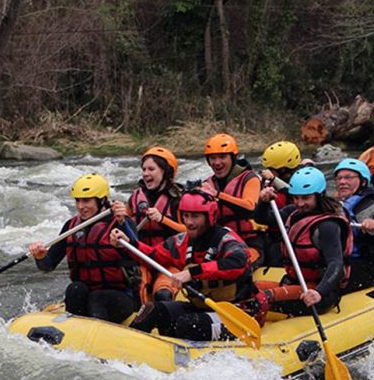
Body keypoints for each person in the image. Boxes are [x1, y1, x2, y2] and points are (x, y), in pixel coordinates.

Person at [110, 190, 260, 341]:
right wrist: (129, 244)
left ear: (209, 217)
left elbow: (237, 263)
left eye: (195, 216)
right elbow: (153, 256)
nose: (189, 222)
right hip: (202, 308)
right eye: (186, 216)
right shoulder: (182, 241)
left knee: (187, 325)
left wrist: (192, 273)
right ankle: (124, 348)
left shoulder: (227, 240)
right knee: (152, 309)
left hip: (237, 313)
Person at [28, 173, 138, 324]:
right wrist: (40, 257)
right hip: (87, 295)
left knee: (97, 297)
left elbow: (138, 253)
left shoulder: (121, 222)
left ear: (102, 200)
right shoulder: (72, 226)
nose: (81, 206)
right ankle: (75, 332)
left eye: (86, 201)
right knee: (75, 289)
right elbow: (48, 265)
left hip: (121, 297)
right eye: (77, 200)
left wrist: (123, 225)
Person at [254, 166, 352, 317]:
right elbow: (262, 218)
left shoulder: (328, 226)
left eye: (306, 198)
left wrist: (318, 293)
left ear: (319, 196)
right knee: (247, 288)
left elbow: (336, 264)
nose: (299, 203)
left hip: (318, 292)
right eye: (296, 198)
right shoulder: (293, 212)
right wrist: (263, 202)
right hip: (295, 282)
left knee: (260, 298)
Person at [111, 146, 185, 303]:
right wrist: (122, 219)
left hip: (169, 261)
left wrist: (162, 219)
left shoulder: (180, 199)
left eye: (151, 169)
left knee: (163, 295)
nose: (145, 173)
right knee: (137, 292)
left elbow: (189, 232)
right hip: (143, 259)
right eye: (144, 169)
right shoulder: (135, 197)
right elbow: (129, 232)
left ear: (166, 172)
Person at [333, 158, 374, 293]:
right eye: (339, 178)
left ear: (363, 181)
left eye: (348, 177)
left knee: (332, 280)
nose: (342, 182)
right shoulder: (335, 204)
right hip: (344, 258)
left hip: (372, 262)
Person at [199, 133, 263, 265]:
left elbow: (249, 208)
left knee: (235, 265)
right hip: (218, 244)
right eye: (212, 158)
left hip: (248, 242)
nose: (217, 163)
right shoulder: (207, 183)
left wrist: (217, 194)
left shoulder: (250, 179)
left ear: (233, 158)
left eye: (222, 157)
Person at [259, 141, 303, 266]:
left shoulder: (306, 180)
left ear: (284, 170)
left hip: (293, 237)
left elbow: (294, 192)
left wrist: (274, 179)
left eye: (271, 170)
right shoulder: (267, 184)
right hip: (273, 235)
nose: (268, 172)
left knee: (275, 251)